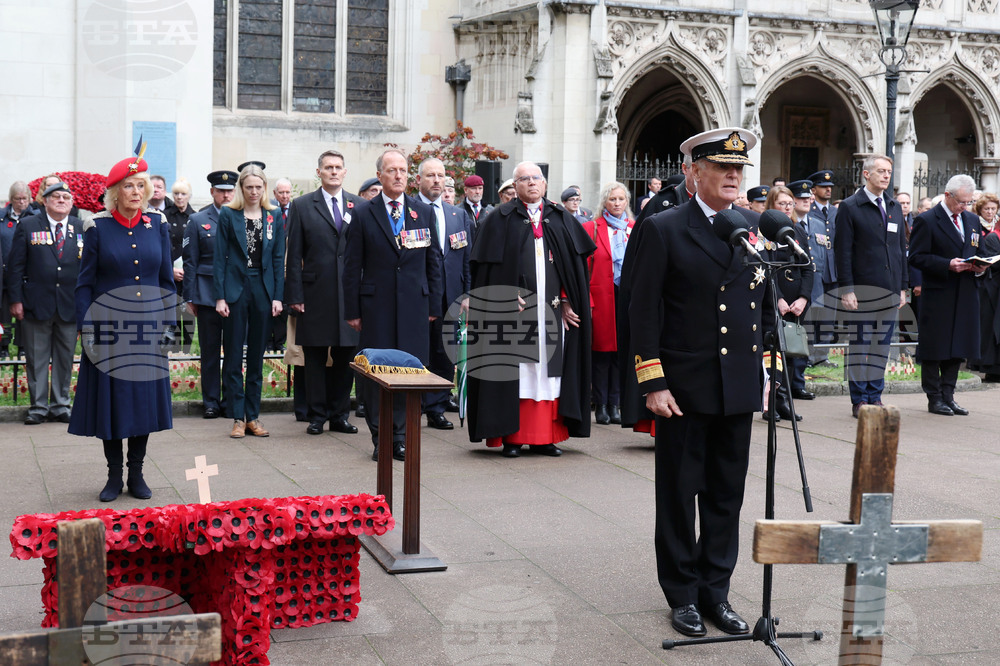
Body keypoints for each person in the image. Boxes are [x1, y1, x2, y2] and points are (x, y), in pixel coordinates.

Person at [629, 127, 765, 639]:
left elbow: (758, 311)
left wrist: (764, 372)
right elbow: (641, 312)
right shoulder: (663, 228)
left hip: (735, 385)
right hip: (683, 387)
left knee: (727, 494)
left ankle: (717, 591)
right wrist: (653, 380)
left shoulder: (747, 229)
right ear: (694, 172)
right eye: (723, 168)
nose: (734, 176)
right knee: (680, 494)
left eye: (739, 169)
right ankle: (683, 594)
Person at [466, 161, 594, 458]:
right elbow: (485, 271)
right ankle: (513, 436)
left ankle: (547, 437)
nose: (531, 183)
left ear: (545, 184)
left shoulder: (560, 218)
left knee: (549, 373)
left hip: (551, 311)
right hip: (516, 315)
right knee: (519, 372)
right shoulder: (500, 219)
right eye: (524, 179)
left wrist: (566, 299)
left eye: (536, 178)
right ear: (515, 185)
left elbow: (575, 268)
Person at [69, 153, 175, 502]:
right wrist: (86, 328)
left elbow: (165, 281)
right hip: (109, 328)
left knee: (143, 402)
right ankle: (114, 476)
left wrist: (170, 323)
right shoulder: (97, 228)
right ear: (115, 193)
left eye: (140, 185)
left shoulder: (157, 224)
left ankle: (138, 473)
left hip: (147, 327)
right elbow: (84, 284)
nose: (135, 191)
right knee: (111, 403)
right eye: (128, 186)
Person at [343, 148, 444, 461]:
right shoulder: (363, 213)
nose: (398, 175)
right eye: (392, 170)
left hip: (415, 307)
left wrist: (434, 306)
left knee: (408, 374)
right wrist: (353, 311)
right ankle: (380, 437)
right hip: (377, 309)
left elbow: (433, 261)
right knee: (377, 375)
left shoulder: (421, 212)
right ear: (381, 175)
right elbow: (351, 266)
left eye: (403, 170)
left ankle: (400, 437)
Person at [285, 149, 362, 436]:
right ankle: (317, 415)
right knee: (315, 358)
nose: (333, 171)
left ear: (344, 172)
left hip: (348, 295)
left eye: (338, 167)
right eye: (328, 167)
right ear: (319, 172)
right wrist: (294, 296)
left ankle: (340, 415)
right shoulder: (303, 205)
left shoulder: (358, 205)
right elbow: (294, 255)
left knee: (345, 357)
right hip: (314, 293)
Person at [213, 164, 286, 438]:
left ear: (264, 188)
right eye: (249, 187)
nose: (254, 192)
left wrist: (278, 296)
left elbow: (279, 258)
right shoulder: (229, 215)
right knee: (233, 355)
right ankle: (237, 418)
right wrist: (219, 296)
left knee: (256, 355)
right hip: (235, 289)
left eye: (258, 187)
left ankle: (253, 416)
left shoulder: (273, 216)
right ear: (241, 189)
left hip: (263, 290)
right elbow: (220, 258)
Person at [833, 154, 907, 417]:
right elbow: (842, 252)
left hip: (889, 289)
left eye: (889, 171)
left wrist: (902, 287)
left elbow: (899, 250)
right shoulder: (851, 206)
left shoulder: (894, 206)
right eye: (881, 171)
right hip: (862, 290)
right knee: (860, 346)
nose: (886, 175)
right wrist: (847, 289)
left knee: (880, 347)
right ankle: (859, 399)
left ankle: (875, 396)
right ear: (866, 174)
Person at [909, 175, 983, 415]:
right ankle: (934, 397)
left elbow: (976, 249)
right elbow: (916, 257)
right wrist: (946, 264)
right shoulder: (928, 220)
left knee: (958, 345)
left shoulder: (971, 220)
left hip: (966, 291)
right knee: (936, 346)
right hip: (939, 292)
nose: (965, 207)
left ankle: (949, 395)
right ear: (948, 196)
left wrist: (981, 264)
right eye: (962, 202)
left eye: (969, 202)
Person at [7, 181, 80, 425]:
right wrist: (15, 299)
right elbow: (15, 266)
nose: (61, 200)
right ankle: (38, 407)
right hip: (36, 304)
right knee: (36, 357)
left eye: (66, 197)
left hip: (69, 305)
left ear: (72, 203)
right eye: (56, 196)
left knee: (64, 358)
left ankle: (60, 405)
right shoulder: (28, 225)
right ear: (44, 201)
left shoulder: (81, 228)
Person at [416, 158, 472, 430]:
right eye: (430, 175)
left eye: (440, 175)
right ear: (418, 181)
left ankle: (436, 408)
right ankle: (414, 405)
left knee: (444, 354)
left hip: (452, 295)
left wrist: (467, 295)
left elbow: (466, 258)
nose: (436, 180)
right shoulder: (409, 210)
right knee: (418, 354)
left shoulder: (456, 214)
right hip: (418, 296)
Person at [182, 171, 236, 419]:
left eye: (229, 190)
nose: (226, 195)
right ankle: (211, 401)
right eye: (221, 190)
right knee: (210, 351)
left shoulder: (244, 216)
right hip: (206, 294)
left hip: (236, 293)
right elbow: (190, 260)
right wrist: (189, 295)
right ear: (212, 192)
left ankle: (231, 400)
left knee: (235, 350)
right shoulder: (197, 219)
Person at [582, 182, 633, 426]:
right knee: (601, 354)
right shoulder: (591, 228)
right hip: (601, 299)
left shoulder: (634, 228)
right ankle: (600, 404)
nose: (616, 203)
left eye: (621, 199)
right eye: (612, 199)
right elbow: (583, 270)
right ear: (605, 202)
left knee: (620, 354)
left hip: (626, 298)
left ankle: (616, 404)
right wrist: (587, 302)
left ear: (627, 202)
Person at [766, 183, 814, 415]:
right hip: (775, 299)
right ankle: (770, 402)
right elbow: (765, 270)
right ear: (772, 205)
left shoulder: (798, 230)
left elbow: (808, 267)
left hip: (796, 302)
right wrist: (778, 298)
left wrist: (804, 298)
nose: (786, 208)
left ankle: (784, 400)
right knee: (773, 353)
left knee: (792, 352)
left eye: (789, 204)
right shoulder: (765, 230)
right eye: (781, 204)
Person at [1, 181, 32, 357]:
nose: (21, 202)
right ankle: (3, 346)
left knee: (23, 315)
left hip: (26, 276)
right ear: (11, 199)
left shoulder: (35, 217)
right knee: (4, 315)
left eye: (24, 198)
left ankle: (22, 347)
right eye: (17, 199)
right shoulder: (2, 218)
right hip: (5, 275)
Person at [163, 179, 193, 348]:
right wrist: (170, 270)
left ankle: (186, 351)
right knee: (171, 310)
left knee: (187, 312)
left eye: (183, 194)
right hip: (170, 272)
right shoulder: (165, 216)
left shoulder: (195, 217)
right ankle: (171, 349)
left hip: (188, 273)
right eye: (176, 194)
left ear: (189, 196)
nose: (179, 197)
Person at [636, 157, 695, 224]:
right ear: (684, 169)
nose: (702, 174)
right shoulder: (659, 201)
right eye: (696, 169)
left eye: (708, 169)